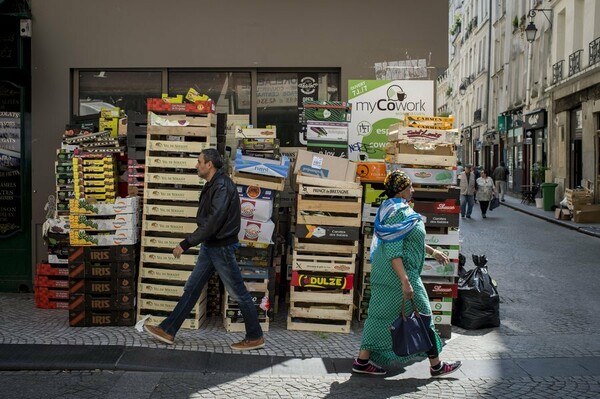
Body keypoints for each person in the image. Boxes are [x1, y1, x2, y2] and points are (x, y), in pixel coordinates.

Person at [144, 148, 265, 351]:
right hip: (211, 246)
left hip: (221, 248)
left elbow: (212, 222)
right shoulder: (213, 184)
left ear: (209, 165)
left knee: (239, 293)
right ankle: (168, 329)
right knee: (192, 289)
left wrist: (185, 243)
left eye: (199, 161)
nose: (196, 165)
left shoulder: (222, 186)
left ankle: (255, 336)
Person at [352, 170, 462, 378]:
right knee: (424, 315)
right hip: (400, 275)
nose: (413, 190)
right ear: (402, 190)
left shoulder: (388, 208)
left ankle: (362, 361)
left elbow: (407, 236)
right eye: (410, 186)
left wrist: (432, 251)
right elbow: (395, 251)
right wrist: (405, 281)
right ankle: (436, 366)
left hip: (383, 274)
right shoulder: (400, 212)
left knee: (378, 317)